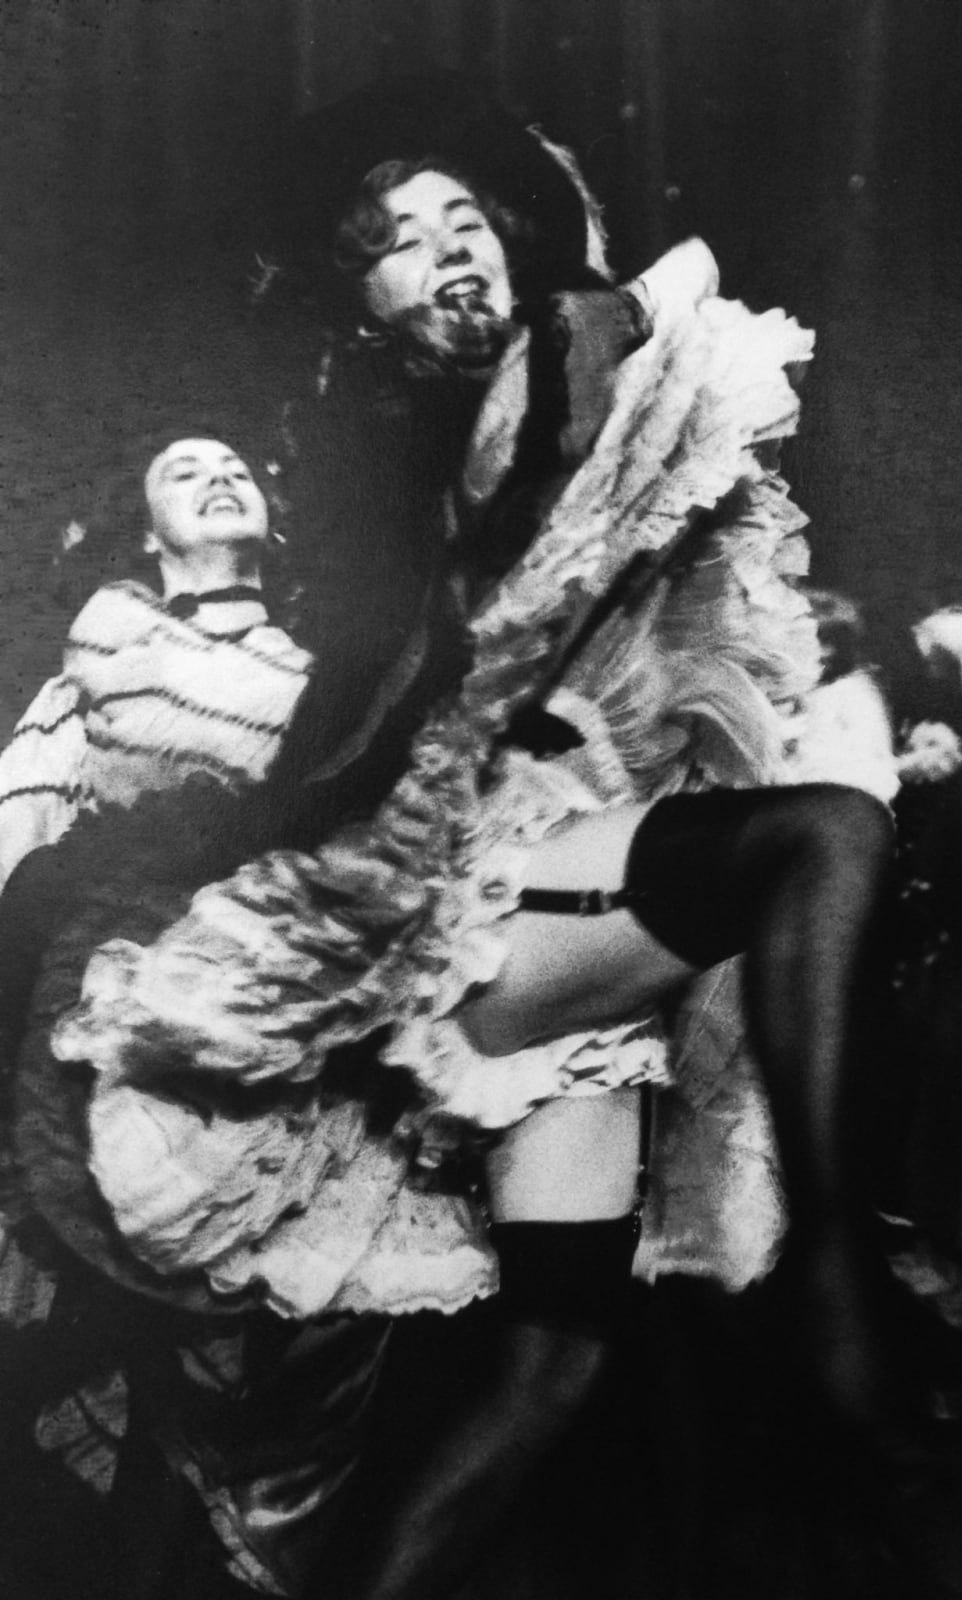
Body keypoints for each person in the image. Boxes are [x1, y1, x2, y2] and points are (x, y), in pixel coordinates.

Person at [12, 81, 944, 1597]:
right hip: (484, 905)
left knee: (553, 1368)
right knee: (818, 841)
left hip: (578, 958)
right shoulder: (414, 432)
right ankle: (832, 1278)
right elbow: (444, 615)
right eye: (401, 239)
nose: (452, 250)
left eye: (468, 220)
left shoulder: (553, 373)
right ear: (358, 292)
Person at [0, 430, 489, 1598]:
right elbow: (20, 850)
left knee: (245, 1359)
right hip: (108, 1009)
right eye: (180, 469)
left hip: (282, 1028)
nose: (219, 477)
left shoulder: (327, 673)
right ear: (147, 529)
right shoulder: (97, 663)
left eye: (235, 466)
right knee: (114, 1327)